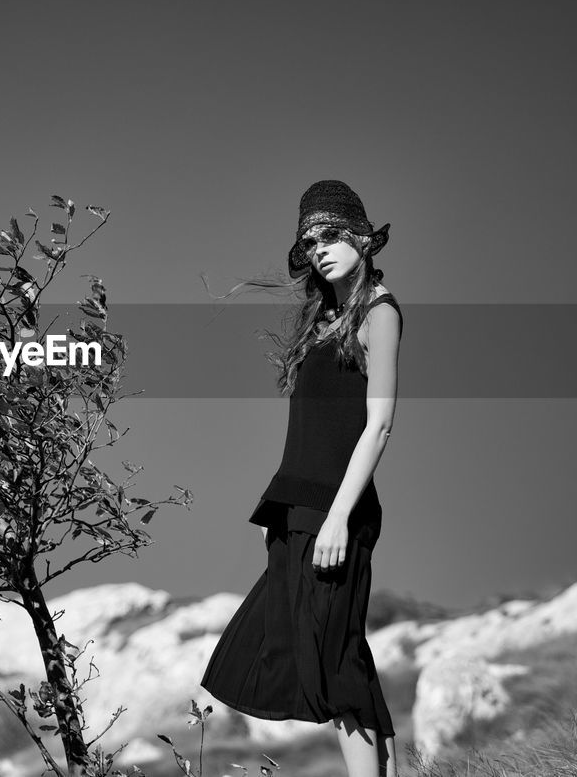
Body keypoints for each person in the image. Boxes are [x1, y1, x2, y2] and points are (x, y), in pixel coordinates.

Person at [199, 180, 404, 777]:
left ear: (362, 237)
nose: (320, 249)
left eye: (332, 235)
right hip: (298, 512)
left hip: (337, 514)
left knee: (334, 667)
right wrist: (279, 513)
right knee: (326, 657)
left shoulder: (379, 313)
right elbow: (309, 432)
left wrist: (339, 515)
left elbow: (380, 425)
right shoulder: (325, 322)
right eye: (310, 241)